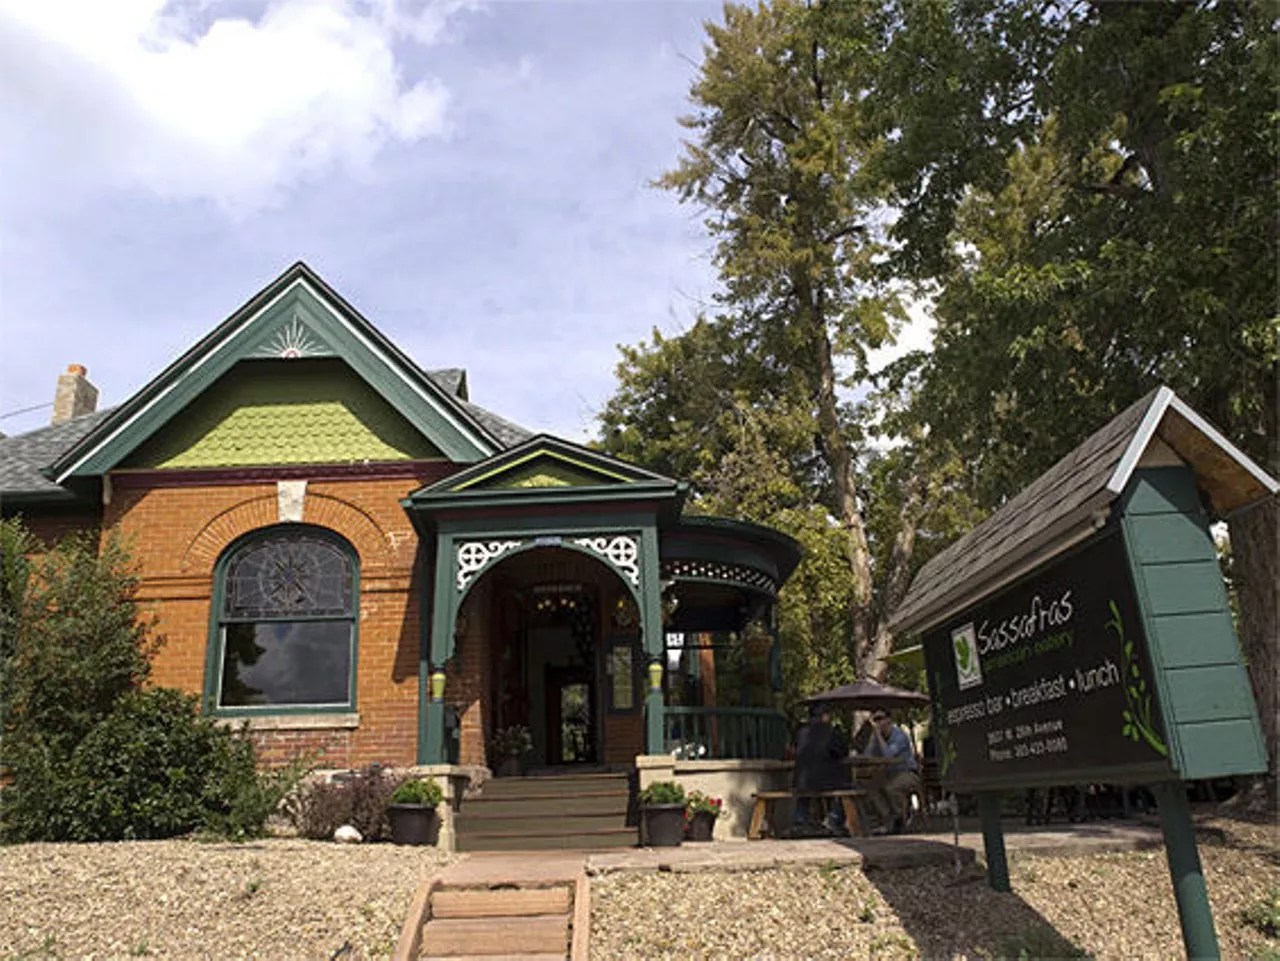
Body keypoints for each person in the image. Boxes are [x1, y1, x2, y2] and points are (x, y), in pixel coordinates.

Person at [791, 703, 849, 832]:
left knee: (803, 792)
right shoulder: (831, 732)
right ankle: (834, 818)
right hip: (825, 781)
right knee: (848, 788)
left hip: (801, 780)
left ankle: (799, 820)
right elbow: (843, 751)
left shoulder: (800, 732)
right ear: (825, 716)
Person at [865, 708, 920, 834]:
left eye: (880, 718)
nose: (877, 723)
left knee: (891, 788)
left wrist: (879, 736)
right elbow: (868, 755)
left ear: (889, 720)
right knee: (870, 786)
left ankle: (900, 818)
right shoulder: (878, 736)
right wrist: (873, 738)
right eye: (875, 720)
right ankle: (888, 817)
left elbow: (888, 755)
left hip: (908, 772)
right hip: (890, 774)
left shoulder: (899, 735)